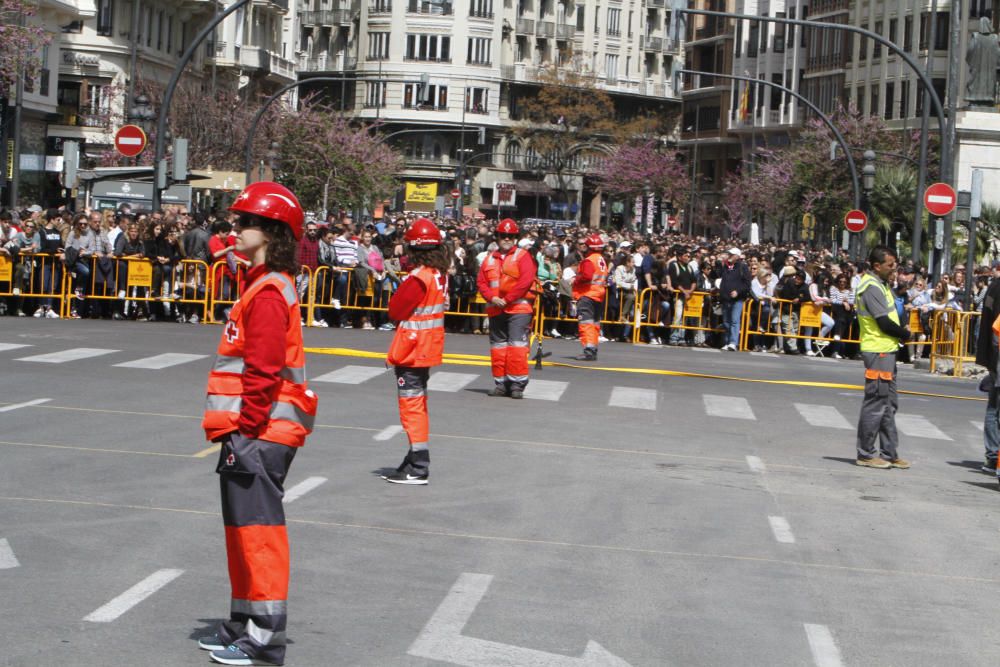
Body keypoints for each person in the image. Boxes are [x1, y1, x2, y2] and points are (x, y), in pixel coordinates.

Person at [199, 181, 318, 666]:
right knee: (241, 530)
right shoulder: (261, 283)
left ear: (270, 231)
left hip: (260, 430)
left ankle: (264, 637)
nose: (236, 228)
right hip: (252, 429)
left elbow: (264, 371)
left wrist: (245, 431)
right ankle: (243, 622)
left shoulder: (269, 291)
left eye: (244, 222)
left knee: (259, 532)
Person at [382, 217, 449, 485]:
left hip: (412, 348)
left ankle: (419, 465)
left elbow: (396, 310)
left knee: (411, 407)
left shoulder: (419, 277)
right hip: (426, 347)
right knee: (418, 403)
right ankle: (413, 459)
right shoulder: (438, 274)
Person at [854, 246, 911, 470]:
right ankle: (866, 453)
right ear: (877, 266)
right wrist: (905, 334)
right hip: (878, 350)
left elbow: (893, 314)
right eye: (890, 265)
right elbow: (884, 322)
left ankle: (889, 453)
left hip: (887, 350)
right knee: (876, 401)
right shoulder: (870, 287)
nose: (894, 269)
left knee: (889, 404)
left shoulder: (883, 285)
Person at [476, 218, 537, 398]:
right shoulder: (489, 258)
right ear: (497, 237)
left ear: (515, 237)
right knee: (498, 348)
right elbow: (481, 281)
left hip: (518, 308)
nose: (507, 239)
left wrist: (508, 299)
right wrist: (492, 298)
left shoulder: (523, 256)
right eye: (503, 236)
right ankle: (501, 383)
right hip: (496, 308)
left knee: (517, 347)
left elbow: (526, 281)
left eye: (511, 236)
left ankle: (517, 384)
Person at [572, 233, 608, 360]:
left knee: (586, 323)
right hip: (598, 295)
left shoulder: (589, 260)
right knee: (595, 324)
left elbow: (587, 276)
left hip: (587, 295)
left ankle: (588, 350)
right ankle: (593, 349)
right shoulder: (601, 259)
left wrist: (575, 280)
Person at [718, 247, 752, 351]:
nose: (729, 256)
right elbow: (716, 275)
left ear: (737, 256)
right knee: (726, 321)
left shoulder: (743, 267)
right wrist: (718, 262)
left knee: (734, 321)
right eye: (728, 254)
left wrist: (737, 291)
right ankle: (727, 341)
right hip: (725, 298)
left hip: (737, 299)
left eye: (731, 254)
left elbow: (747, 284)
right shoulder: (724, 266)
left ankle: (733, 342)